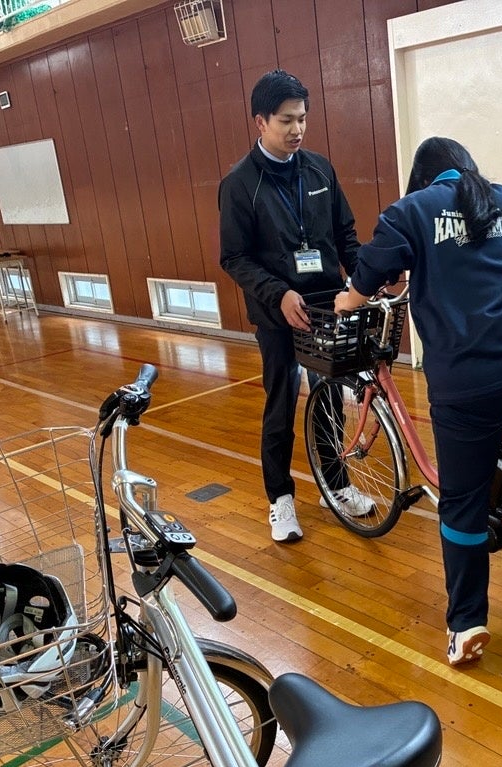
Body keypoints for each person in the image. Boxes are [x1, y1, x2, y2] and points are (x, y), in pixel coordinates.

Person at [334, 137, 502, 665]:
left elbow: (368, 275)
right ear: (466, 170)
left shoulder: (410, 211)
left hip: (470, 375)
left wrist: (349, 299)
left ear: (423, 179)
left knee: (461, 499)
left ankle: (466, 625)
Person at [219, 69, 373, 543]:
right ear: (260, 121)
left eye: (303, 118)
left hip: (326, 307)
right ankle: (280, 499)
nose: (297, 129)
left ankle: (337, 485)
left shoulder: (321, 169)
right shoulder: (240, 185)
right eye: (286, 120)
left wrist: (366, 277)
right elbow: (234, 258)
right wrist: (278, 293)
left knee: (327, 399)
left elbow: (345, 235)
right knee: (282, 405)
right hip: (277, 314)